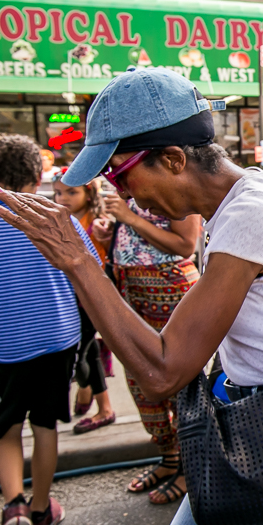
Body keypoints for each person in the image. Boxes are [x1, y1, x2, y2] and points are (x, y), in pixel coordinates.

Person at [0, 67, 263, 525]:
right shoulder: (247, 191)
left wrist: (78, 261)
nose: (123, 196)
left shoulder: (252, 210)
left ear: (172, 158)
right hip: (245, 418)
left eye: (119, 175)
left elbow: (163, 370)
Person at [0, 135, 99, 525]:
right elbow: (87, 275)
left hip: (4, 346)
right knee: (47, 424)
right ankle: (40, 511)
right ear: (40, 176)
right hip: (57, 339)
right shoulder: (62, 221)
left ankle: (13, 504)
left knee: (7, 425)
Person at [93, 162, 201, 504]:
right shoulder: (127, 188)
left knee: (178, 382)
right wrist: (109, 235)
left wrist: (130, 219)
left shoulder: (177, 185)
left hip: (170, 290)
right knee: (141, 382)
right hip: (131, 289)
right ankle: (169, 459)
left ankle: (190, 468)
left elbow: (185, 245)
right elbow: (132, 236)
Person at [52, 170, 117, 434]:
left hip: (89, 297)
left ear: (88, 193)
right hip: (69, 297)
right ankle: (101, 403)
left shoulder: (96, 222)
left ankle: (91, 395)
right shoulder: (62, 219)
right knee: (88, 351)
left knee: (80, 353)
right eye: (58, 192)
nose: (63, 197)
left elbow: (100, 263)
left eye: (71, 192)